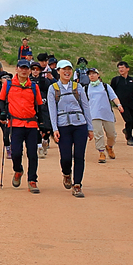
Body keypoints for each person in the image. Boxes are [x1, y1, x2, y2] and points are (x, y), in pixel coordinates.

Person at [0, 59, 49, 193]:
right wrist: (3, 113)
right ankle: (18, 170)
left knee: (32, 154)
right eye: (21, 68)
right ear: (16, 69)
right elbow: (1, 99)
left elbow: (39, 106)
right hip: (15, 123)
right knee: (16, 152)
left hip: (31, 124)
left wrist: (42, 123)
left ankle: (32, 180)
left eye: (26, 68)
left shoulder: (33, 87)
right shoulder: (8, 84)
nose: (24, 70)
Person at [48, 61, 92, 196]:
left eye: (69, 69)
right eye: (64, 69)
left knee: (79, 156)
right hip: (63, 126)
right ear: (58, 71)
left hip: (80, 125)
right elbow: (52, 110)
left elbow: (86, 107)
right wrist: (54, 129)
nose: (67, 72)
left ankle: (77, 184)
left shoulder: (78, 87)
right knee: (66, 157)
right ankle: (66, 173)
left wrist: (90, 128)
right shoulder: (53, 88)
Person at [83, 67, 122, 162]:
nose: (91, 75)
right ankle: (101, 152)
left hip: (107, 113)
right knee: (98, 134)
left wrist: (119, 105)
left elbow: (113, 97)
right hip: (93, 114)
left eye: (93, 73)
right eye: (90, 74)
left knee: (112, 134)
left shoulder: (105, 86)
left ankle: (109, 147)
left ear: (98, 75)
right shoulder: (86, 88)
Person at [110, 60, 133, 147]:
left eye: (122, 68)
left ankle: (127, 130)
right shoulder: (115, 80)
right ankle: (129, 138)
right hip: (121, 105)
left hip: (131, 103)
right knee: (129, 120)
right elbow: (111, 92)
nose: (121, 70)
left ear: (127, 69)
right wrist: (114, 102)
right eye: (119, 68)